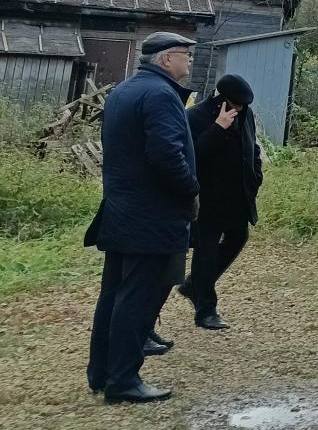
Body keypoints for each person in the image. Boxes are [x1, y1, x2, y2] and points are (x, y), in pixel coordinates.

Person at [85, 32, 199, 405]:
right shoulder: (161, 95)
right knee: (137, 299)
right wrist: (191, 189)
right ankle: (123, 380)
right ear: (166, 60)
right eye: (186, 55)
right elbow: (167, 156)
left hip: (121, 212)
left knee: (114, 295)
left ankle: (102, 373)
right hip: (150, 216)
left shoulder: (123, 91)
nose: (190, 61)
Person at [176, 73, 262, 331]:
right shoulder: (196, 117)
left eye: (243, 105)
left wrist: (256, 174)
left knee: (238, 238)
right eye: (236, 104)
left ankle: (194, 285)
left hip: (238, 195)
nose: (240, 109)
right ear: (222, 100)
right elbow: (192, 156)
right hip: (208, 197)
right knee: (207, 250)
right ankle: (206, 310)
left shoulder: (246, 114)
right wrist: (218, 128)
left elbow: (252, 146)